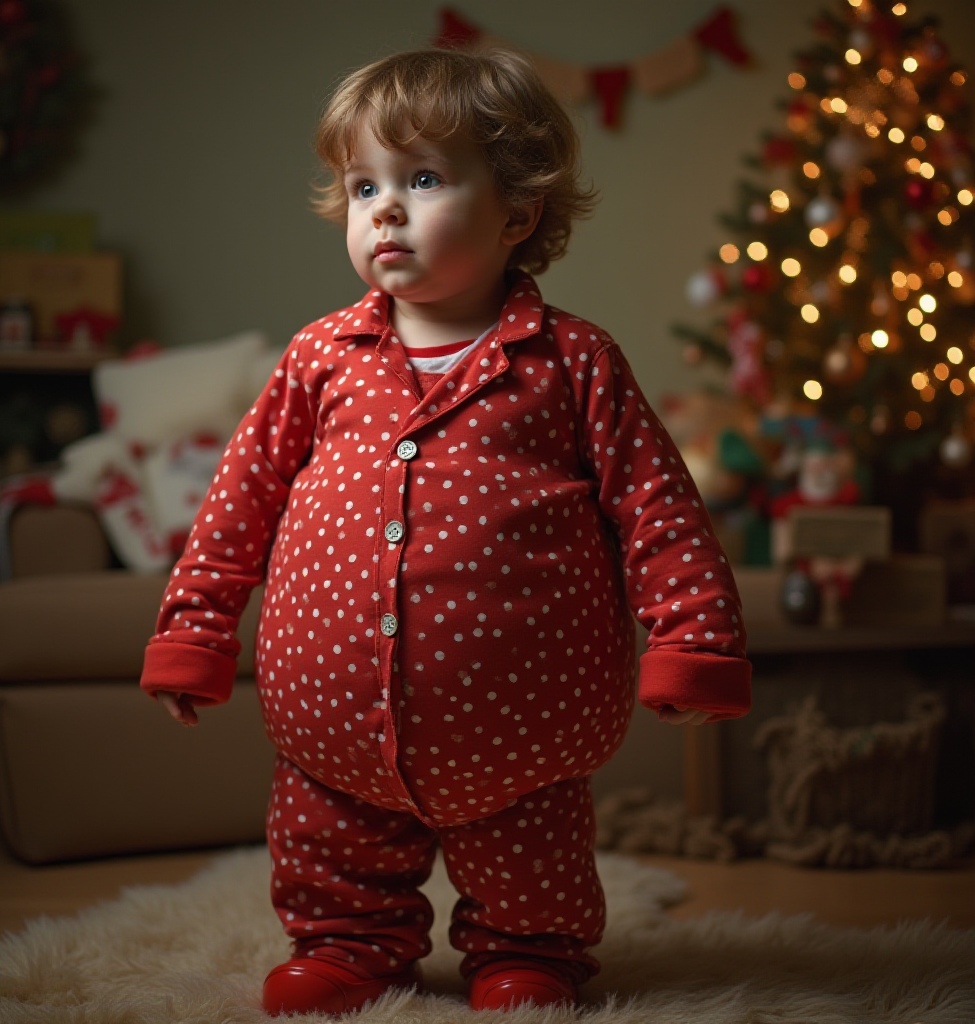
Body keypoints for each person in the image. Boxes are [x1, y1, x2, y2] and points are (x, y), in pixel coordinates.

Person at [140, 46, 751, 1016]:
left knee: (531, 856)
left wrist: (694, 638)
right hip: (332, 717)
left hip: (523, 717)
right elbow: (240, 498)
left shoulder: (574, 361)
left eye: (422, 179)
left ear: (518, 213)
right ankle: (348, 946)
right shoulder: (319, 357)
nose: (384, 208)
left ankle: (527, 953)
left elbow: (657, 507)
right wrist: (194, 628)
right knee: (333, 845)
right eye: (363, 186)